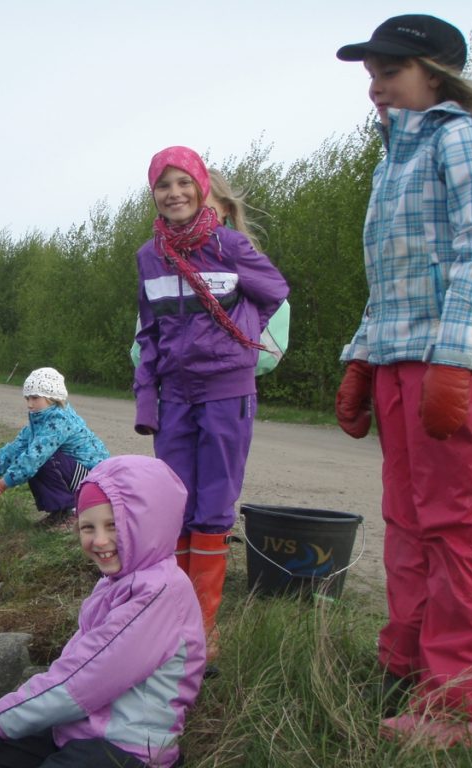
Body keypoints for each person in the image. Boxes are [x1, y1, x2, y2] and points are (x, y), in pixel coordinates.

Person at [334, 14, 472, 748]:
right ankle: (403, 667)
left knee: (455, 538)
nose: (375, 89)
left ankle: (452, 708)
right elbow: (393, 278)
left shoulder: (463, 135)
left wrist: (455, 357)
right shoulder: (393, 161)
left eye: (387, 73)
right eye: (372, 77)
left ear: (433, 74)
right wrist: (361, 355)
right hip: (396, 363)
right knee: (407, 529)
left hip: (451, 371)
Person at [0, 454, 206, 768]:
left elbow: (82, 680)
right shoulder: (115, 583)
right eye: (88, 527)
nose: (99, 540)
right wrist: (3, 724)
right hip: (77, 731)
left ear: (150, 524)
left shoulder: (156, 594)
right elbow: (73, 667)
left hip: (127, 751)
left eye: (114, 525)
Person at [134, 146, 289, 661]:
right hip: (175, 393)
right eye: (163, 184)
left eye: (183, 182)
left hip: (227, 390)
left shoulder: (230, 246)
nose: (173, 193)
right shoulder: (147, 257)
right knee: (175, 503)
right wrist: (145, 396)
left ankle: (202, 629)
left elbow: (274, 291)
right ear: (153, 194)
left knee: (214, 506)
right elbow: (150, 331)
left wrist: (238, 340)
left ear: (201, 187)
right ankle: (174, 620)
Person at [0, 367, 109, 524]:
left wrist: (0, 485)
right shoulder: (39, 422)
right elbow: (10, 452)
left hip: (94, 480)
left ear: (52, 397)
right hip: (79, 477)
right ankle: (59, 512)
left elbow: (33, 458)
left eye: (35, 398)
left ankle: (71, 512)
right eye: (27, 398)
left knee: (40, 459)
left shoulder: (60, 420)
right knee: (29, 456)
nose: (29, 404)